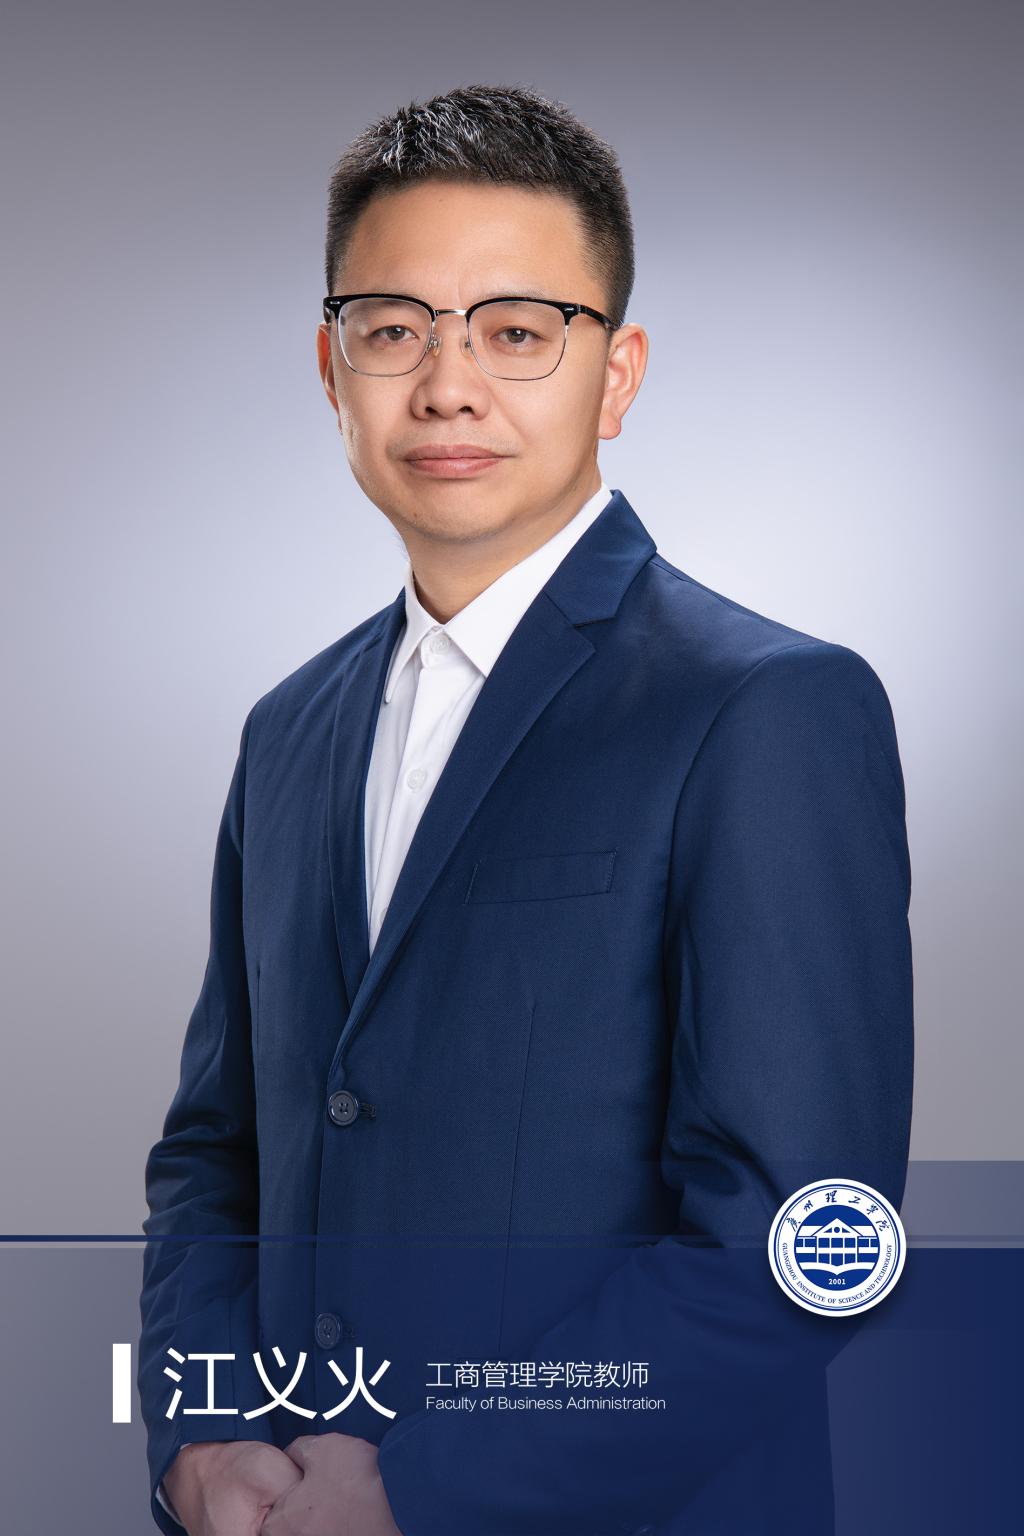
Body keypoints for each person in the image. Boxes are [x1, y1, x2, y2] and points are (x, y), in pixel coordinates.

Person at [138, 83, 914, 1536]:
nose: (447, 387)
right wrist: (200, 1434)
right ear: (331, 368)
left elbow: (797, 1246)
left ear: (617, 375)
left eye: (516, 330)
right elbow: (215, 1153)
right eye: (394, 329)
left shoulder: (765, 709)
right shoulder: (287, 732)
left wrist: (424, 1488)